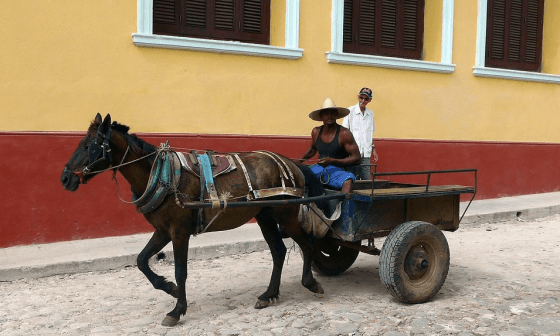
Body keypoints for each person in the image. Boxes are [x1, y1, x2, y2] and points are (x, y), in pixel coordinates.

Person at [299, 98, 361, 193]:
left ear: (336, 115)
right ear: (321, 116)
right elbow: (313, 148)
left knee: (348, 181)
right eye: (326, 113)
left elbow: (357, 158)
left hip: (337, 170)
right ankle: (305, 205)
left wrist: (333, 161)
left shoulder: (344, 133)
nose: (329, 116)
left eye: (332, 113)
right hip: (318, 168)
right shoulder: (316, 132)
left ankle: (343, 206)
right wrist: (299, 160)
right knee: (299, 176)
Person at [342, 87, 378, 180]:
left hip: (366, 152)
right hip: (352, 153)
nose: (363, 100)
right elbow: (344, 132)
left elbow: (370, 134)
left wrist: (373, 149)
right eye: (361, 97)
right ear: (358, 97)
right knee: (353, 178)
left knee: (366, 180)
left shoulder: (370, 114)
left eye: (366, 99)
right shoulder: (350, 111)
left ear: (370, 100)